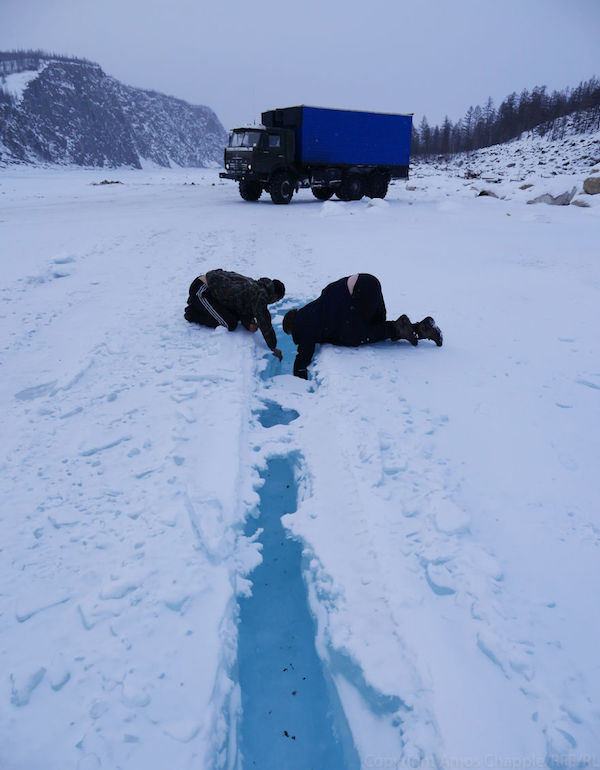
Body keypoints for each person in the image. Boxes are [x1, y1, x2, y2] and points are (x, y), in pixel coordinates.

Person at [282, 273, 442, 379]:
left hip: (357, 291)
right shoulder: (311, 310)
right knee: (375, 327)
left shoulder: (302, 323)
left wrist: (299, 372)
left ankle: (399, 328)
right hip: (367, 282)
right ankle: (422, 329)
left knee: (354, 336)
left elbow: (305, 349)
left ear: (292, 327)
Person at [185, 269, 286, 360]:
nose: (274, 302)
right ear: (274, 295)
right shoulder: (260, 294)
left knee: (233, 317)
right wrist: (273, 347)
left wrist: (248, 323)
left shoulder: (257, 287)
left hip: (211, 291)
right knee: (229, 323)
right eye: (277, 300)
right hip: (201, 290)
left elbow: (242, 306)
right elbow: (264, 321)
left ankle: (199, 305)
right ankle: (192, 312)